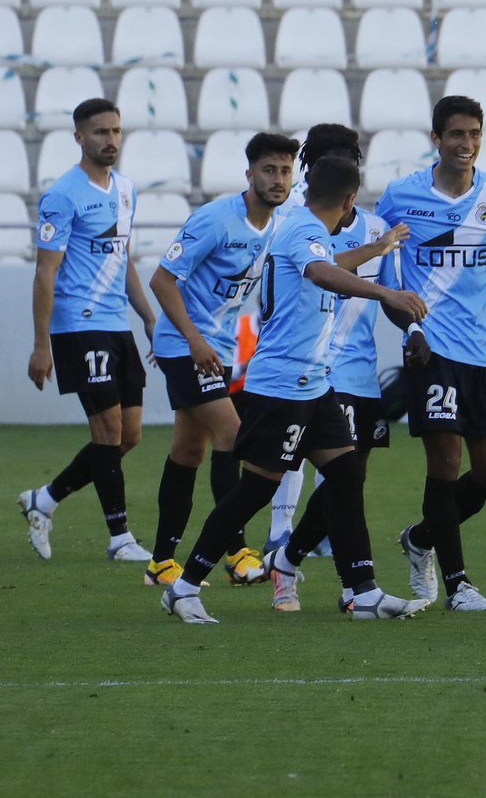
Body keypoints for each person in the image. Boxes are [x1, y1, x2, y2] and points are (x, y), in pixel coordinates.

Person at [160, 156, 431, 624]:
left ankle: (364, 592)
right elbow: (320, 272)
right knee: (254, 492)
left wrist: (378, 249)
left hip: (314, 385)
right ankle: (183, 588)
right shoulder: (305, 232)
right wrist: (387, 293)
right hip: (282, 385)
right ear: (350, 201)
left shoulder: (305, 229)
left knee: (346, 478)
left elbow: (329, 263)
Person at [378, 95, 486, 613]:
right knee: (445, 461)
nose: (466, 144)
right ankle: (458, 584)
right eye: (456, 135)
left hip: (482, 353)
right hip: (430, 350)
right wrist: (409, 327)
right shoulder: (400, 198)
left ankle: (421, 536)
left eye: (474, 134)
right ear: (436, 139)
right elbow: (387, 279)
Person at [142, 132, 301, 589]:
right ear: (249, 174)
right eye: (269, 170)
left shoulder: (279, 224)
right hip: (188, 347)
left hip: (216, 351)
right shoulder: (215, 219)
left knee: (189, 451)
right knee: (234, 437)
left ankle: (161, 562)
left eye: (285, 171)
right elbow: (162, 280)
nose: (277, 179)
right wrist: (190, 339)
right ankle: (235, 552)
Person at [264, 130, 410, 613]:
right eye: (331, 160)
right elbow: (317, 274)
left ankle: (290, 561)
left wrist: (414, 333)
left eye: (349, 159)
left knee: (344, 482)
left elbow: (393, 294)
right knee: (292, 474)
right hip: (308, 369)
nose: (342, 166)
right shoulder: (295, 224)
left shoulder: (374, 229)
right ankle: (338, 580)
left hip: (358, 374)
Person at [18, 99, 159, 565]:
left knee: (130, 435)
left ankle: (46, 499)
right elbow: (45, 274)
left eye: (116, 131)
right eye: (100, 132)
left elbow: (124, 259)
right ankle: (120, 537)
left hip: (118, 324)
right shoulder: (63, 195)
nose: (111, 140)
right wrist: (43, 344)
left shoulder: (126, 190)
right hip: (79, 325)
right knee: (107, 429)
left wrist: (149, 317)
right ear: (79, 137)